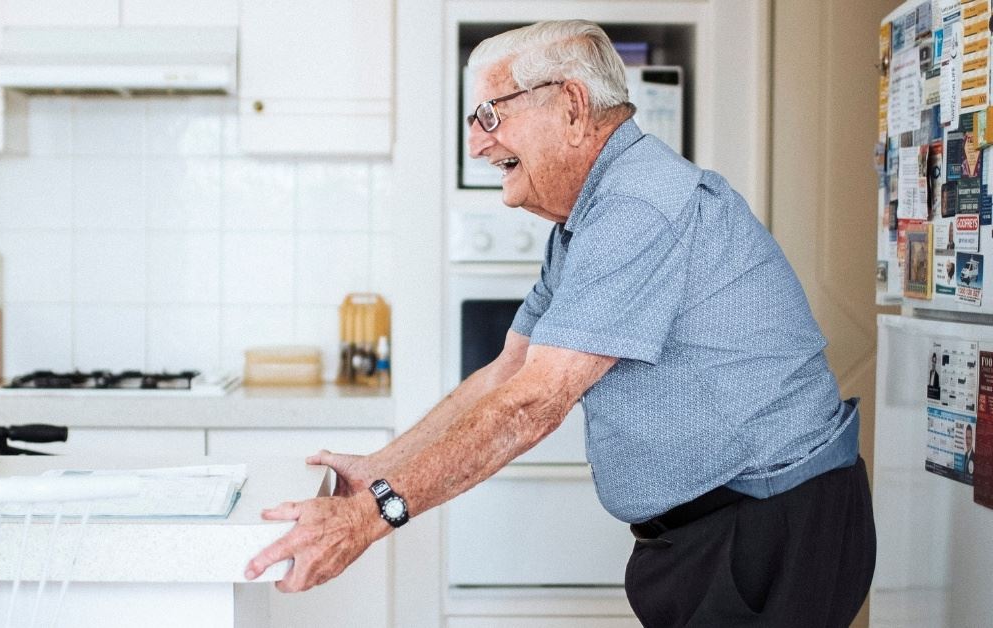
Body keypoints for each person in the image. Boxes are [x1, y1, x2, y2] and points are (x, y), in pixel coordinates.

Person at [246, 20, 876, 627]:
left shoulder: (638, 204)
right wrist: (381, 467)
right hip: (718, 533)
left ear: (573, 106)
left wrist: (370, 517)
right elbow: (509, 372)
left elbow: (533, 403)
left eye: (491, 115)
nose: (476, 142)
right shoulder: (587, 219)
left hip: (769, 530)